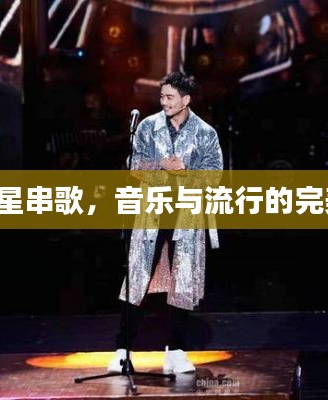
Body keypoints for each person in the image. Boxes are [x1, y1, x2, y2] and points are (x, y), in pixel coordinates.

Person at [108, 71, 223, 374]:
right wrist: (161, 163)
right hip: (152, 212)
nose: (164, 102)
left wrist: (186, 170)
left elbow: (215, 174)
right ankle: (122, 349)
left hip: (186, 215)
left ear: (186, 99)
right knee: (137, 279)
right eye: (162, 96)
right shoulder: (147, 126)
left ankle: (176, 351)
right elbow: (133, 165)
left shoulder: (205, 133)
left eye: (170, 97)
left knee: (182, 281)